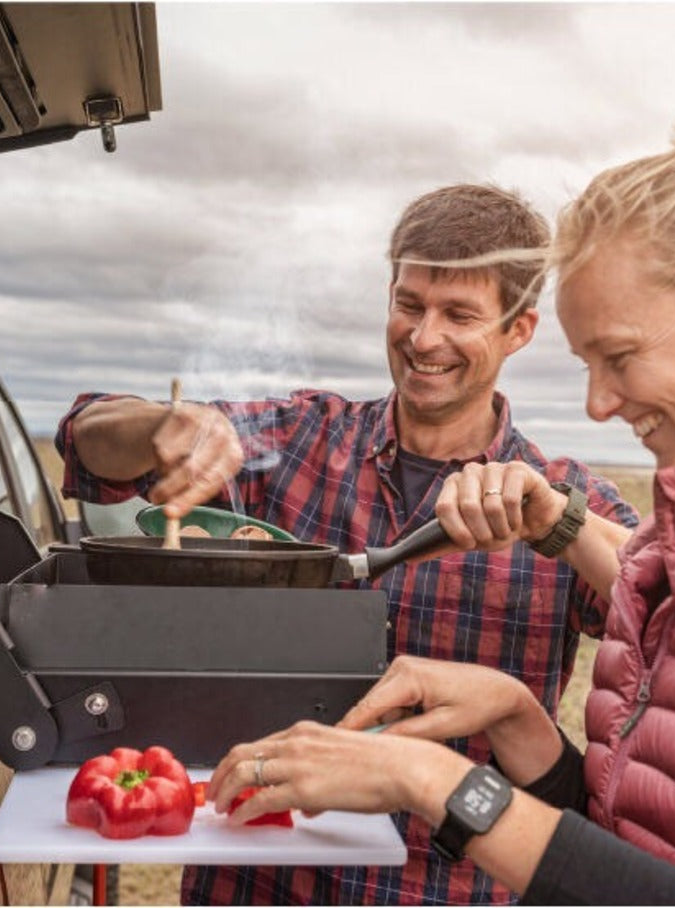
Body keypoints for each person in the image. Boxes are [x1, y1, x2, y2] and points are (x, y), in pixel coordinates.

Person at [206, 120, 675, 904]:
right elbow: (618, 849)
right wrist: (522, 719)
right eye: (588, 365)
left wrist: (426, 774)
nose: (597, 405)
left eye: (619, 358)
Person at [56, 183, 639, 905]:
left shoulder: (558, 493)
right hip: (256, 882)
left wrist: (559, 523)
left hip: (447, 890)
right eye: (409, 304)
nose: (424, 339)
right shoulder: (299, 439)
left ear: (520, 329)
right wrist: (158, 427)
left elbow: (667, 611)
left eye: (459, 315)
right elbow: (86, 443)